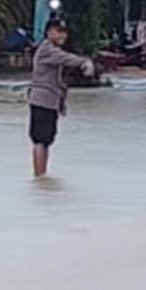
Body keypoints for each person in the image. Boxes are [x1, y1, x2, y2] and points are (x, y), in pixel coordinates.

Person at [28, 19, 95, 177]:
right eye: (58, 31)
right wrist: (84, 62)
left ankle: (42, 177)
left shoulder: (52, 49)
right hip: (42, 100)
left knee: (46, 141)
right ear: (49, 32)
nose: (63, 35)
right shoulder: (47, 49)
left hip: (50, 101)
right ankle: (39, 178)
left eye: (64, 31)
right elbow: (65, 58)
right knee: (40, 141)